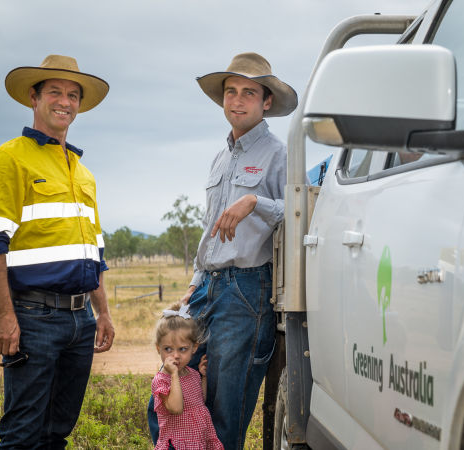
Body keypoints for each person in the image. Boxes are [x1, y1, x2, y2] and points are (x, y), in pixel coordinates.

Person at [148, 52, 297, 449]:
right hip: (208, 286)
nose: (237, 99)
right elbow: (211, 227)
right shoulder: (219, 158)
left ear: (266, 102)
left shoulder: (279, 154)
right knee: (168, 389)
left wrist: (254, 202)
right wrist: (196, 281)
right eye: (231, 91)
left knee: (224, 408)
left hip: (247, 290)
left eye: (249, 92)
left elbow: (297, 213)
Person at [0, 54, 115, 448]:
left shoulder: (82, 172)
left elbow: (93, 251)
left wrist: (102, 313)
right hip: (34, 318)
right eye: (55, 92)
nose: (64, 101)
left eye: (72, 95)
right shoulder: (8, 159)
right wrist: (5, 316)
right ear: (34, 97)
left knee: (57, 430)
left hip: (81, 320)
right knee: (22, 432)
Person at [152, 303, 224, 450]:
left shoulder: (192, 374)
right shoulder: (161, 381)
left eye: (182, 349)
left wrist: (203, 377)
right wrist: (174, 375)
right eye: (168, 349)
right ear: (158, 348)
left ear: (194, 348)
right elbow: (177, 408)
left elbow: (199, 401)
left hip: (198, 441)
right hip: (177, 443)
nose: (176, 355)